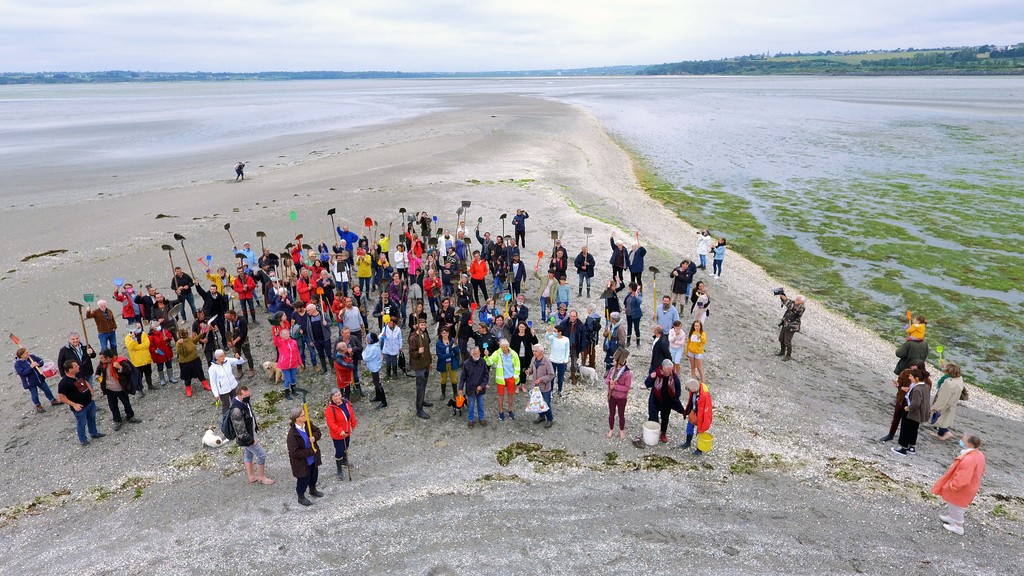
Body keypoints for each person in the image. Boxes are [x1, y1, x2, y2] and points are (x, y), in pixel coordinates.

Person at [931, 434, 986, 536]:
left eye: (963, 440)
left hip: (963, 487)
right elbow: (982, 470)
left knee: (957, 505)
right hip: (970, 485)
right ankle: (952, 518)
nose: (961, 440)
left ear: (969, 444)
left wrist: (954, 485)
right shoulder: (979, 455)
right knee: (953, 502)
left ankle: (959, 527)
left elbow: (963, 476)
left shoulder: (969, 459)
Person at [229, 385, 274, 485]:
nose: (248, 396)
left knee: (248, 454)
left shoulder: (244, 402)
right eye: (246, 395)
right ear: (239, 396)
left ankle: (251, 477)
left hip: (251, 433)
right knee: (261, 455)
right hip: (246, 438)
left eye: (249, 394)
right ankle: (262, 477)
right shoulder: (236, 410)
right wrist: (251, 440)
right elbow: (240, 430)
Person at [57, 360, 105, 446]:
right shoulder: (63, 383)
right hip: (80, 407)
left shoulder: (79, 374)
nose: (78, 366)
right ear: (70, 369)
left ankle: (94, 433)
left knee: (92, 418)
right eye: (76, 366)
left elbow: (85, 381)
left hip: (89, 402)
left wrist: (91, 391)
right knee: (81, 423)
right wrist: (74, 405)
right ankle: (83, 440)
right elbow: (61, 397)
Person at [880, 360, 928, 443]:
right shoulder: (906, 372)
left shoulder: (926, 380)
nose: (912, 371)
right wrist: (900, 386)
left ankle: (906, 441)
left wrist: (911, 391)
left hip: (912, 403)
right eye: (912, 368)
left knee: (909, 423)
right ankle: (891, 435)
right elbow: (900, 382)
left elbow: (925, 392)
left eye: (915, 370)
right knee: (896, 417)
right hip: (902, 398)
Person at [287, 407, 323, 506]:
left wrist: (314, 437)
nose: (306, 416)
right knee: (303, 479)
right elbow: (295, 452)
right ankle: (301, 496)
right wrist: (310, 452)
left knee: (313, 475)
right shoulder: (292, 435)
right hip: (302, 462)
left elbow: (317, 431)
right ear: (297, 419)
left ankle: (312, 489)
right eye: (303, 415)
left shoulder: (307, 424)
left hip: (313, 459)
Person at [96, 349, 140, 431]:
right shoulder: (103, 363)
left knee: (126, 403)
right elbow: (98, 370)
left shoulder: (120, 361)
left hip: (120, 388)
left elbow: (129, 371)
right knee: (113, 406)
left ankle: (130, 416)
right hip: (109, 389)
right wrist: (97, 376)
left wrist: (120, 367)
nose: (101, 360)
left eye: (102, 358)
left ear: (108, 357)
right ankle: (117, 420)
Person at [892, 368, 932, 456]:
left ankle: (903, 448)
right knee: (914, 430)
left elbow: (916, 403)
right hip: (919, 414)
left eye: (911, 376)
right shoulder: (926, 386)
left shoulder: (917, 389)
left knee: (906, 429)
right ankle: (911, 446)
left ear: (916, 378)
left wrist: (908, 408)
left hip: (912, 413)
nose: (909, 378)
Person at [645, 359, 683, 444]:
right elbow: (647, 384)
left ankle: (663, 433)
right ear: (663, 368)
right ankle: (652, 432)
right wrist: (651, 377)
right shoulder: (656, 373)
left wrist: (675, 400)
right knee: (653, 416)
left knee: (665, 418)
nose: (670, 372)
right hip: (655, 399)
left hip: (667, 402)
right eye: (668, 370)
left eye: (671, 370)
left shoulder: (673, 376)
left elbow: (678, 389)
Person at [15, 347, 60, 413]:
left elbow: (41, 361)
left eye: (28, 352)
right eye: (26, 353)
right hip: (30, 382)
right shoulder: (18, 364)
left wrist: (38, 364)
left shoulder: (32, 356)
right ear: (21, 355)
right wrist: (30, 367)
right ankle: (38, 406)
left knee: (47, 389)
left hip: (39, 378)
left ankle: (52, 400)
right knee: (34, 394)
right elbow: (22, 373)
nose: (28, 354)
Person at [486, 338, 521, 421]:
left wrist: (516, 377)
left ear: (508, 346)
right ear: (500, 347)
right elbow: (489, 362)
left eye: (506, 347)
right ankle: (501, 411)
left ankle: (510, 410)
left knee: (511, 395)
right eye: (503, 347)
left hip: (511, 377)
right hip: (501, 378)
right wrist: (487, 356)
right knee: (501, 395)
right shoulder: (497, 353)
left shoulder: (514, 354)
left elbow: (517, 366)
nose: (505, 349)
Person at [930, 362, 966, 441]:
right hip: (952, 402)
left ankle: (946, 433)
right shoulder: (959, 379)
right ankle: (940, 434)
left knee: (941, 419)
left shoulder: (949, 383)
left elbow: (943, 399)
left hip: (946, 404)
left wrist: (934, 407)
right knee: (944, 419)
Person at [325, 390, 357, 476]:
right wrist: (339, 431)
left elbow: (351, 414)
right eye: (335, 396)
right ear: (331, 398)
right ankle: (339, 470)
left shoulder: (346, 403)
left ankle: (344, 460)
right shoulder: (330, 409)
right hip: (337, 435)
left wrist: (353, 424)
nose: (338, 397)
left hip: (347, 432)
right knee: (339, 451)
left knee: (346, 446)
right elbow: (331, 423)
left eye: (339, 395)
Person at [680, 379, 713, 455]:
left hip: (702, 416)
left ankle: (699, 449)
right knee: (689, 428)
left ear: (693, 389)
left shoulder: (705, 396)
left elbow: (707, 411)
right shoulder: (695, 390)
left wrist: (706, 423)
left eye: (689, 389)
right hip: (694, 412)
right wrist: (687, 412)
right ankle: (688, 442)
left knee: (700, 432)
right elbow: (690, 402)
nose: (688, 391)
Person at [409, 317, 433, 419]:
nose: (423, 326)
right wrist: (418, 352)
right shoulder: (413, 338)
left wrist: (430, 362)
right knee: (420, 387)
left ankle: (422, 401)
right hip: (419, 366)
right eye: (422, 325)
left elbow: (427, 351)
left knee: (424, 385)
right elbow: (411, 353)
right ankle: (419, 410)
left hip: (426, 364)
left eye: (425, 325)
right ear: (418, 325)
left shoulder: (425, 335)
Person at [459, 346, 489, 428]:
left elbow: (486, 376)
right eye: (475, 353)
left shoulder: (483, 362)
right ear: (471, 354)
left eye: (478, 353)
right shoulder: (466, 363)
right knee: (471, 405)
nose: (477, 355)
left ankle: (481, 418)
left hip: (481, 389)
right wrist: (460, 388)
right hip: (471, 389)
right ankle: (470, 420)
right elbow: (463, 378)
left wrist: (482, 386)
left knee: (481, 404)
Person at [605, 348, 632, 440]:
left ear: (619, 362)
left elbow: (627, 388)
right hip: (612, 396)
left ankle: (621, 430)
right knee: (611, 413)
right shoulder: (612, 369)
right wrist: (610, 382)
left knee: (621, 414)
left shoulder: (628, 374)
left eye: (614, 360)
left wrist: (615, 386)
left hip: (621, 398)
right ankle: (611, 429)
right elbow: (607, 379)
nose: (612, 360)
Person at [209, 349, 245, 414]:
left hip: (233, 385)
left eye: (223, 355)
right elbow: (213, 383)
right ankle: (226, 418)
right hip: (223, 390)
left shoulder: (227, 360)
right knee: (226, 405)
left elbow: (240, 362)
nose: (223, 357)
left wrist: (239, 357)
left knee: (236, 401)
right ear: (216, 358)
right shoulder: (212, 369)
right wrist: (216, 394)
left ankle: (238, 413)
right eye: (221, 356)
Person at [527, 344, 555, 428]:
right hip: (535, 387)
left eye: (536, 351)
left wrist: (541, 379)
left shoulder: (547, 362)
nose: (534, 353)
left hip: (545, 387)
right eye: (533, 351)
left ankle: (550, 419)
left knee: (546, 404)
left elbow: (551, 375)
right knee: (538, 402)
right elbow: (531, 369)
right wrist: (529, 371)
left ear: (541, 352)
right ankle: (541, 416)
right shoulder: (533, 359)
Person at [225, 310, 256, 378]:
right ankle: (239, 370)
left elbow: (243, 333)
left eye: (229, 318)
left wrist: (234, 341)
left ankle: (251, 369)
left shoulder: (242, 320)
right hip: (235, 343)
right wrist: (228, 341)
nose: (227, 319)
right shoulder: (229, 322)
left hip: (244, 341)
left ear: (233, 316)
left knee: (248, 355)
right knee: (236, 356)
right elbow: (227, 332)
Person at [273, 328, 302, 400]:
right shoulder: (280, 342)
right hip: (284, 364)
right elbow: (276, 342)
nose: (286, 335)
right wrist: (276, 336)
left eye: (287, 333)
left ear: (289, 334)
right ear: (281, 336)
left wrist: (300, 362)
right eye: (283, 334)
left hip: (293, 363)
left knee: (293, 378)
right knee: (288, 379)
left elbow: (297, 352)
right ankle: (286, 393)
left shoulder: (294, 342)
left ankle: (293, 390)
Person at [175, 328, 204, 397]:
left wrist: (200, 334)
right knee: (187, 377)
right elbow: (180, 352)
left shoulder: (189, 339)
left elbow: (194, 340)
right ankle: (188, 389)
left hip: (195, 360)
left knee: (200, 372)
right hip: (185, 363)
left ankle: (205, 384)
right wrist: (180, 344)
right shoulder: (178, 343)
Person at [125, 323, 155, 391]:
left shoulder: (143, 334)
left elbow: (147, 345)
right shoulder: (128, 338)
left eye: (140, 327)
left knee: (148, 373)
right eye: (138, 327)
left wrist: (137, 347)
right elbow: (130, 347)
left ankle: (150, 385)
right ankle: (140, 390)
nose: (139, 329)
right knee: (139, 376)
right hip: (137, 361)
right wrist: (133, 339)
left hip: (146, 359)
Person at [777, 293, 805, 361]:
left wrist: (785, 299)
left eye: (797, 299)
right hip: (785, 323)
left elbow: (791, 307)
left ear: (802, 301)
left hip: (792, 326)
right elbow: (788, 302)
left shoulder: (801, 308)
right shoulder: (793, 303)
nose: (796, 300)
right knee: (781, 338)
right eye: (796, 298)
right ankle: (782, 351)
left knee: (787, 341)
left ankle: (788, 355)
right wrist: (783, 296)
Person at [148, 321, 176, 387]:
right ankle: (162, 379)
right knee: (160, 367)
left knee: (169, 364)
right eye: (156, 326)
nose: (158, 327)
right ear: (152, 328)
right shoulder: (150, 336)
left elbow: (170, 336)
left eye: (158, 325)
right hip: (158, 353)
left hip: (166, 351)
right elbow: (150, 346)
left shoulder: (164, 331)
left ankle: (171, 377)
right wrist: (154, 350)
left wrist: (168, 338)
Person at [362, 333, 387, 409]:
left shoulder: (373, 348)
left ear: (370, 340)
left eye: (367, 338)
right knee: (375, 382)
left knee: (377, 383)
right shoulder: (371, 345)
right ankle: (378, 396)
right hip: (373, 366)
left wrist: (363, 354)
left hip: (375, 367)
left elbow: (367, 357)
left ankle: (384, 401)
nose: (365, 339)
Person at [435, 328, 460, 400]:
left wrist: (454, 348)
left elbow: (457, 353)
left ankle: (455, 393)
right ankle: (443, 393)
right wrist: (451, 354)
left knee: (454, 379)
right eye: (443, 333)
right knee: (443, 379)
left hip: (452, 363)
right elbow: (440, 356)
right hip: (443, 363)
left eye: (446, 333)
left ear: (448, 333)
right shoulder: (438, 343)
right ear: (441, 334)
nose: (445, 334)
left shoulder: (453, 341)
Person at [545, 325, 570, 397]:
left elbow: (567, 350)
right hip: (552, 360)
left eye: (555, 331)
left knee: (560, 377)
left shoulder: (566, 339)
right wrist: (548, 331)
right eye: (554, 331)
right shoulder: (553, 338)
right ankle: (551, 390)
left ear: (560, 332)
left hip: (561, 362)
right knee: (551, 376)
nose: (554, 333)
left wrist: (566, 359)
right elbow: (547, 337)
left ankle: (560, 390)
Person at [380, 316, 402, 381]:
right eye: (388, 323)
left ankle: (395, 373)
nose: (389, 324)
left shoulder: (398, 330)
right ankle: (388, 374)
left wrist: (400, 346)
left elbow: (400, 338)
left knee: (394, 362)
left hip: (395, 348)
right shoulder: (385, 329)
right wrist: (382, 335)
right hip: (387, 348)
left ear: (394, 323)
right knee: (388, 362)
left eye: (390, 323)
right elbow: (380, 337)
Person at [581, 304, 601, 369]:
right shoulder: (597, 317)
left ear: (590, 310)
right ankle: (592, 364)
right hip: (595, 337)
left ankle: (583, 365)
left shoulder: (590, 318)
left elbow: (589, 329)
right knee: (592, 351)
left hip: (588, 338)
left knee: (585, 351)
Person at [623, 282, 643, 347]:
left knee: (636, 328)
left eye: (630, 288)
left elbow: (640, 302)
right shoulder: (629, 294)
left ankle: (638, 343)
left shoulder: (638, 294)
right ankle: (628, 342)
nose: (629, 289)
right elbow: (625, 301)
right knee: (629, 327)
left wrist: (636, 296)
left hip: (636, 314)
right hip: (628, 314)